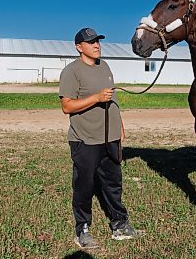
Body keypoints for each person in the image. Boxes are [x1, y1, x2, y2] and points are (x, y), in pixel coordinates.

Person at [59, 27, 140, 249]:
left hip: (109, 137)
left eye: (98, 41)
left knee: (113, 183)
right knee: (84, 185)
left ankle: (120, 224)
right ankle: (82, 229)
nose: (97, 45)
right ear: (79, 47)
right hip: (85, 139)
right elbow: (67, 106)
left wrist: (119, 126)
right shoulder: (71, 72)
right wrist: (95, 97)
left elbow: (112, 101)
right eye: (91, 42)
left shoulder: (104, 66)